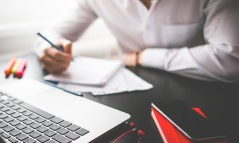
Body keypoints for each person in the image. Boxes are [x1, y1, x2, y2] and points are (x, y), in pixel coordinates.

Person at [35, 0, 239, 82]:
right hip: (131, 88)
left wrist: (143, 57)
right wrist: (48, 50)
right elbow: (50, 33)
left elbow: (230, 58)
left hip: (198, 88)